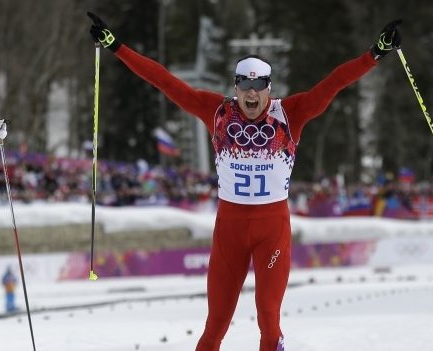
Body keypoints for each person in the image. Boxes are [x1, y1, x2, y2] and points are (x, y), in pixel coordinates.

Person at [87, 12, 401, 351]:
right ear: (235, 86)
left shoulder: (289, 114)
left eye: (258, 86)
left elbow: (334, 83)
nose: (251, 94)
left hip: (272, 230)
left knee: (268, 320)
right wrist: (116, 47)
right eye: (244, 85)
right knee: (214, 325)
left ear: (269, 87)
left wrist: (375, 53)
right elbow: (165, 82)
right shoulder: (217, 112)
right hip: (230, 230)